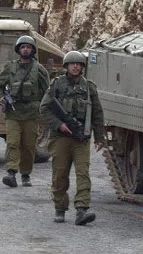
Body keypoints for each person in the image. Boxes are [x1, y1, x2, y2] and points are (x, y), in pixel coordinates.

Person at [39, 50, 104, 225]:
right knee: (60, 174)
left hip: (81, 137)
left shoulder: (89, 87)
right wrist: (59, 124)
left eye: (78, 64)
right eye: (72, 64)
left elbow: (97, 113)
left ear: (82, 67)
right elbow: (44, 108)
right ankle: (60, 207)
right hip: (60, 137)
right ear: (66, 66)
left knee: (83, 173)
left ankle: (82, 209)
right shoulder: (57, 85)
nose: (75, 67)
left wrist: (99, 137)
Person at [0, 35, 50, 188]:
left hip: (32, 114)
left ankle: (25, 174)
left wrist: (42, 108)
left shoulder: (39, 69)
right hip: (13, 113)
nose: (25, 50)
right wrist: (1, 98)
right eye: (23, 47)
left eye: (28, 47)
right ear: (18, 50)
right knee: (12, 143)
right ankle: (11, 172)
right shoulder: (10, 67)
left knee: (28, 146)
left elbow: (48, 92)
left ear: (33, 50)